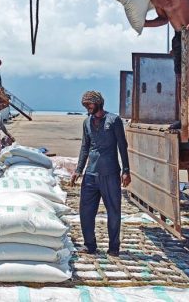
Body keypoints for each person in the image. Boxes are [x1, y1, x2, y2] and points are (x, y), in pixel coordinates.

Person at [70, 91, 130, 257]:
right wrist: (78, 170)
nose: (87, 107)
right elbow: (85, 147)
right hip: (91, 174)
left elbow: (122, 146)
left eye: (89, 104)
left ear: (98, 103)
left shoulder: (114, 120)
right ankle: (90, 245)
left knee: (114, 211)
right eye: (85, 105)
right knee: (86, 211)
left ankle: (113, 247)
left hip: (110, 173)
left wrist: (126, 170)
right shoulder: (86, 122)